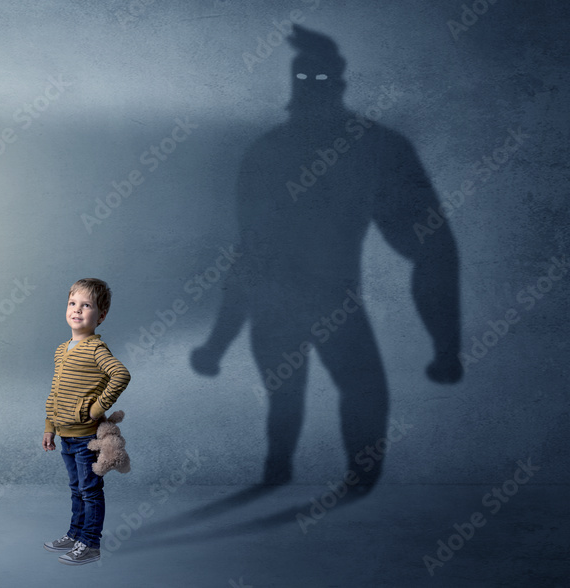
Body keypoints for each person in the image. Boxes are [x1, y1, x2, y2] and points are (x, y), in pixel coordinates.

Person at [191, 25, 462, 492]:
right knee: (333, 393)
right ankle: (313, 474)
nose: (313, 88)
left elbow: (247, 258)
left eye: (316, 79)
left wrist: (218, 343)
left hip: (300, 304)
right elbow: (433, 250)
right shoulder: (369, 148)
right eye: (309, 79)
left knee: (306, 394)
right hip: (320, 302)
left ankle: (295, 473)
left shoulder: (277, 152)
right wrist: (444, 347)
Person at [42, 278, 131, 565]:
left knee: (90, 491)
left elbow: (121, 375)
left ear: (101, 316)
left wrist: (97, 408)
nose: (77, 310)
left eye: (86, 305)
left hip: (86, 438)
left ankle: (90, 543)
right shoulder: (61, 349)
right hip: (65, 435)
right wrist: (49, 427)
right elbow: (55, 391)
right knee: (75, 489)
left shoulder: (96, 349)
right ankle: (75, 533)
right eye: (72, 303)